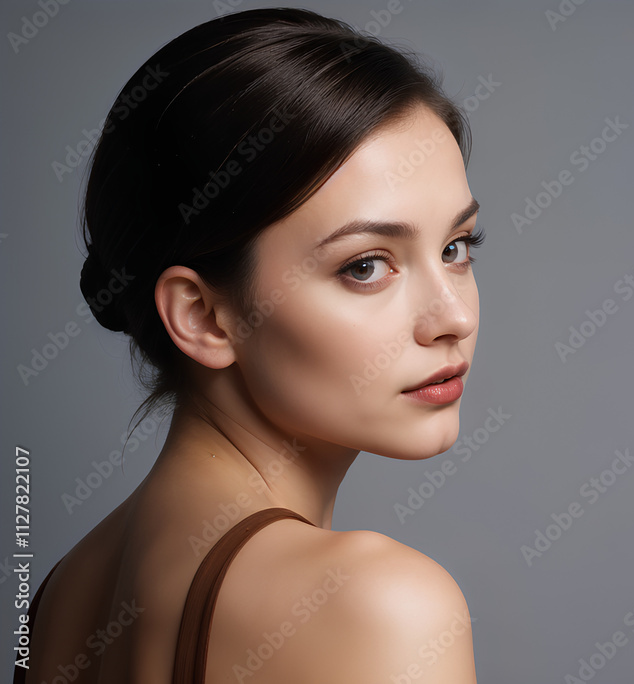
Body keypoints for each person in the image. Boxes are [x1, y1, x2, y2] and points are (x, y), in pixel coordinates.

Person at [17, 8, 482, 683]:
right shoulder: (383, 608)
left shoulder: (61, 596)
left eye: (455, 248)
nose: (451, 318)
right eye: (365, 265)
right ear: (203, 316)